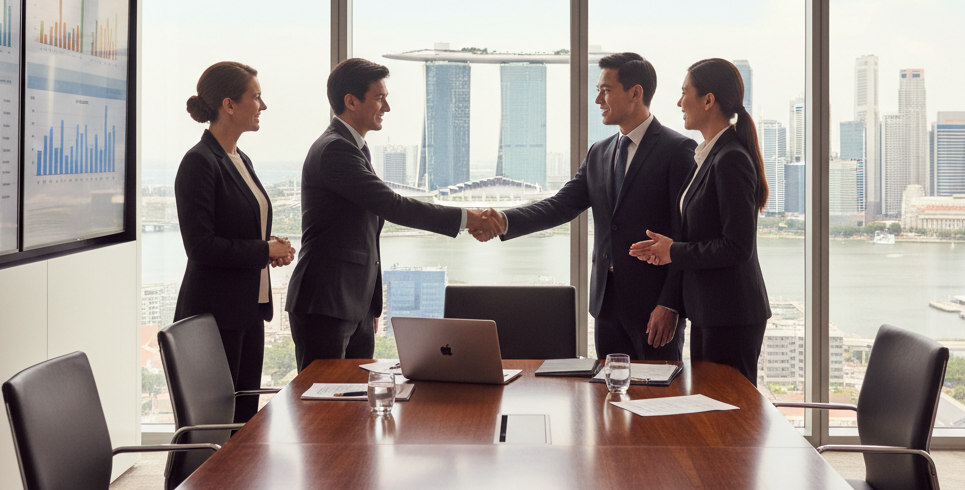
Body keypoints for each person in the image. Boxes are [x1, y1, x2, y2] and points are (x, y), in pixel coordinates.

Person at [473, 52, 697, 362]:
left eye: (605, 90)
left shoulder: (679, 150)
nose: (597, 100)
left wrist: (670, 304)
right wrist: (504, 219)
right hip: (606, 306)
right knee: (609, 399)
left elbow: (686, 235)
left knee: (656, 400)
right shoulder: (599, 152)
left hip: (654, 310)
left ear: (635, 93)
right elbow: (560, 206)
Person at [286, 57, 492, 370]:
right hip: (326, 303)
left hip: (352, 303)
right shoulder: (335, 150)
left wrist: (366, 308)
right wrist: (468, 218)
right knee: (322, 406)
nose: (387, 107)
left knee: (356, 406)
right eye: (380, 98)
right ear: (351, 101)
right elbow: (392, 205)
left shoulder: (354, 148)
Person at [628, 57, 771, 384]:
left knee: (728, 417)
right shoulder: (711, 154)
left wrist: (673, 251)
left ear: (708, 100)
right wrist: (666, 248)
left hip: (731, 315)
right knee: (712, 410)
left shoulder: (730, 159)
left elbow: (737, 246)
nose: (679, 102)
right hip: (711, 311)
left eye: (684, 92)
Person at [174, 61, 295, 424]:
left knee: (243, 423)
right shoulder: (199, 162)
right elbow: (201, 246)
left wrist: (269, 247)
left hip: (248, 312)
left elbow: (236, 229)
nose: (263, 105)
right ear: (229, 105)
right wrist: (263, 251)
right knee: (216, 425)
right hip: (214, 316)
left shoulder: (241, 159)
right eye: (256, 97)